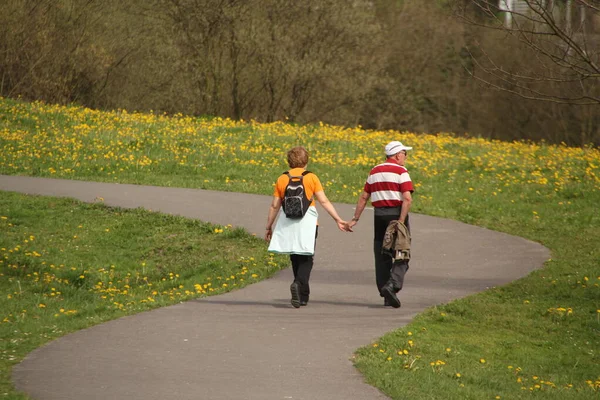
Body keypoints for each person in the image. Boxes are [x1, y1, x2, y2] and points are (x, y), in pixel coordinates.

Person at [265, 146, 348, 308]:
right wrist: (338, 219)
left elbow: (275, 205)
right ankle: (298, 284)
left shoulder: (282, 178)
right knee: (307, 257)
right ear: (306, 161)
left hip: (288, 221)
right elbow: (323, 201)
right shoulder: (311, 178)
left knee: (295, 255)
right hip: (307, 222)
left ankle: (303, 295)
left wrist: (268, 226)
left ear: (289, 161)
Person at [347, 141, 414, 308]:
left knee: (382, 253)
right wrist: (401, 221)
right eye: (405, 153)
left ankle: (385, 293)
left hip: (379, 216)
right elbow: (407, 198)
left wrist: (355, 219)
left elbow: (364, 197)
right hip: (396, 214)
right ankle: (392, 285)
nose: (405, 157)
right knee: (402, 253)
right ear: (398, 155)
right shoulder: (401, 171)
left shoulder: (374, 171)